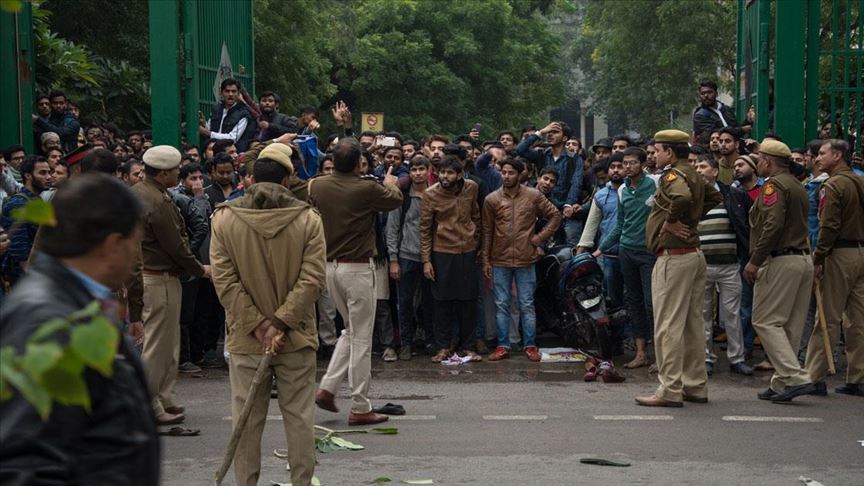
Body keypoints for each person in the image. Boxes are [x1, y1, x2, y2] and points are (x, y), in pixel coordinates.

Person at [0, 174, 159, 485]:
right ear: (112, 245)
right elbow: (26, 464)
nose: (134, 256)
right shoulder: (47, 321)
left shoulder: (76, 302)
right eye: (134, 243)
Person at [210, 144, 326, 486]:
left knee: (246, 421)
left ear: (250, 179)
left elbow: (224, 281)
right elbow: (312, 279)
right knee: (300, 419)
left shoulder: (224, 220)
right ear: (288, 180)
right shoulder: (308, 220)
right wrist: (280, 322)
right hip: (296, 336)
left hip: (247, 338)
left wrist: (259, 325)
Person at [311, 138, 402, 426]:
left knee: (350, 331)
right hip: (358, 269)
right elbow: (394, 200)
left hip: (330, 267)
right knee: (362, 338)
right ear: (357, 164)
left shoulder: (317, 185)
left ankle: (328, 387)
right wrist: (390, 182)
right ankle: (360, 406)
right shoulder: (366, 188)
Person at [636, 129, 721, 408]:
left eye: (658, 150)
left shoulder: (673, 176)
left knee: (668, 326)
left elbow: (682, 198)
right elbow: (714, 198)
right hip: (693, 255)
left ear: (670, 152)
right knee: (692, 326)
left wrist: (672, 221)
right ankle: (694, 385)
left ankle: (669, 389)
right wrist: (691, 220)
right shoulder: (694, 173)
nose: (654, 155)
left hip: (674, 257)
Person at [131, 145, 210, 425]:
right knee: (157, 346)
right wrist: (200, 269)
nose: (179, 174)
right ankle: (149, 404)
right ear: (164, 173)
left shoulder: (141, 192)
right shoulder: (158, 201)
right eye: (176, 170)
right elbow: (175, 245)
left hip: (156, 276)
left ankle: (164, 396)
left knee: (167, 344)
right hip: (159, 278)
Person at [743, 140, 816, 403]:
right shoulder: (796, 184)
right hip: (802, 258)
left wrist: (755, 260)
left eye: (759, 159)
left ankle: (795, 377)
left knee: (764, 320)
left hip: (781, 259)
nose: (757, 164)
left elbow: (772, 225)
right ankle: (783, 382)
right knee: (789, 325)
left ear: (767, 161)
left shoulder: (773, 186)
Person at [482, 158, 561, 361]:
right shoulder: (492, 199)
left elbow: (555, 216)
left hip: (526, 258)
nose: (507, 176)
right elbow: (487, 231)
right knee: (502, 304)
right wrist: (486, 259)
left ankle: (530, 345)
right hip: (499, 258)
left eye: (511, 173)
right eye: (504, 172)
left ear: (520, 175)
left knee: (526, 303)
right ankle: (503, 345)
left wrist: (539, 238)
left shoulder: (533, 195)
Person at [805, 139, 864, 397]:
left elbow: (828, 226)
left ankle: (814, 376)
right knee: (858, 320)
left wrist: (818, 257)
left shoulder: (832, 185)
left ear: (837, 156)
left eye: (822, 153)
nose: (817, 158)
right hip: (860, 251)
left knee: (827, 317)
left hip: (839, 254)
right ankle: (858, 377)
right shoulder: (860, 181)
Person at [694, 156, 754, 376]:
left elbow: (747, 225)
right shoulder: (692, 196)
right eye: (696, 167)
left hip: (730, 265)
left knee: (732, 314)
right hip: (701, 265)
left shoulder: (734, 195)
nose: (698, 170)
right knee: (702, 315)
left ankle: (737, 358)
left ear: (715, 171)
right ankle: (706, 358)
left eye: (703, 166)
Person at [599, 147, 658, 369]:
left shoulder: (655, 183)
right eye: (625, 163)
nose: (628, 167)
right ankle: (641, 353)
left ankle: (660, 355)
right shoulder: (623, 189)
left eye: (633, 162)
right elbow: (620, 225)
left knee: (652, 303)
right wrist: (600, 248)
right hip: (626, 250)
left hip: (649, 251)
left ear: (643, 164)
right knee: (634, 302)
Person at [420, 155, 483, 363]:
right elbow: (425, 229)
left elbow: (476, 216)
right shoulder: (431, 194)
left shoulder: (471, 187)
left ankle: (468, 346)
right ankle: (443, 347)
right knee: (442, 302)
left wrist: (476, 242)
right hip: (442, 252)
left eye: (449, 173)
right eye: (442, 172)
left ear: (460, 174)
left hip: (467, 250)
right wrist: (426, 260)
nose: (444, 176)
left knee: (468, 301)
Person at [386, 156, 434, 361]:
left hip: (431, 257)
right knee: (404, 302)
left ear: (428, 170)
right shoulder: (402, 197)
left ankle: (431, 340)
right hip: (406, 255)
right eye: (414, 169)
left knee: (431, 302)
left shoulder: (436, 194)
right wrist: (393, 259)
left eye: (422, 169)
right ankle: (406, 343)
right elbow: (392, 229)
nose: (418, 173)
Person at [515, 122, 584, 245]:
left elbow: (576, 183)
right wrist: (540, 132)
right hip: (541, 211)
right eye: (549, 132)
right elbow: (520, 150)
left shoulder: (574, 159)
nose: (550, 134)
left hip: (565, 211)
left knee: (569, 247)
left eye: (555, 132)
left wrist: (568, 204)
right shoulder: (542, 155)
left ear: (565, 138)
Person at [579, 153, 626, 311]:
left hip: (632, 252)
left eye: (620, 166)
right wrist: (581, 249)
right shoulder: (600, 195)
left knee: (634, 297)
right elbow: (591, 225)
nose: (616, 170)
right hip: (609, 255)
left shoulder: (635, 192)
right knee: (613, 298)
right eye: (612, 167)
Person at [1, 156, 52, 284]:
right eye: (42, 173)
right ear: (28, 176)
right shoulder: (19, 205)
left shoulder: (36, 201)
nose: (49, 177)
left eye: (49, 172)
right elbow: (19, 255)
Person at [200, 78, 254, 151]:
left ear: (238, 93)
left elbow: (233, 138)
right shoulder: (216, 109)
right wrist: (204, 124)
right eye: (227, 91)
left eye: (234, 91)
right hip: (213, 149)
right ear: (222, 92)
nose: (230, 94)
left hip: (231, 152)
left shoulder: (243, 113)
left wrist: (209, 133)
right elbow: (210, 129)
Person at [692, 79, 746, 144]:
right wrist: (741, 130)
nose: (706, 95)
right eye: (703, 93)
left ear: (716, 93)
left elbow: (736, 128)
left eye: (709, 92)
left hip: (733, 147)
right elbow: (715, 133)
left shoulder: (726, 109)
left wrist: (748, 121)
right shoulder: (700, 115)